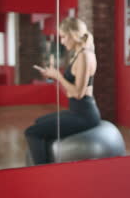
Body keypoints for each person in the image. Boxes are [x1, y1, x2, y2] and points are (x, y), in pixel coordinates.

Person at [25, 17, 101, 165]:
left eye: (64, 37)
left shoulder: (84, 56)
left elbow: (78, 93)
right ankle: (49, 162)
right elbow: (70, 91)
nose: (62, 41)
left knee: (31, 132)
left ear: (73, 35)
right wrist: (53, 76)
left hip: (84, 114)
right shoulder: (78, 55)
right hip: (76, 110)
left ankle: (43, 170)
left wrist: (58, 76)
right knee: (39, 122)